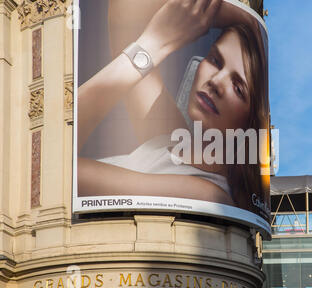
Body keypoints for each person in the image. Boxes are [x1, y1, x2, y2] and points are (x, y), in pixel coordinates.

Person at [77, 0, 269, 216]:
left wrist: (155, 45)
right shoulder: (171, 143)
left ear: (251, 121)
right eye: (215, 60)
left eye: (238, 87)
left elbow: (58, 170)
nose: (216, 81)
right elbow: (124, 13)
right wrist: (244, 19)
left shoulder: (209, 195)